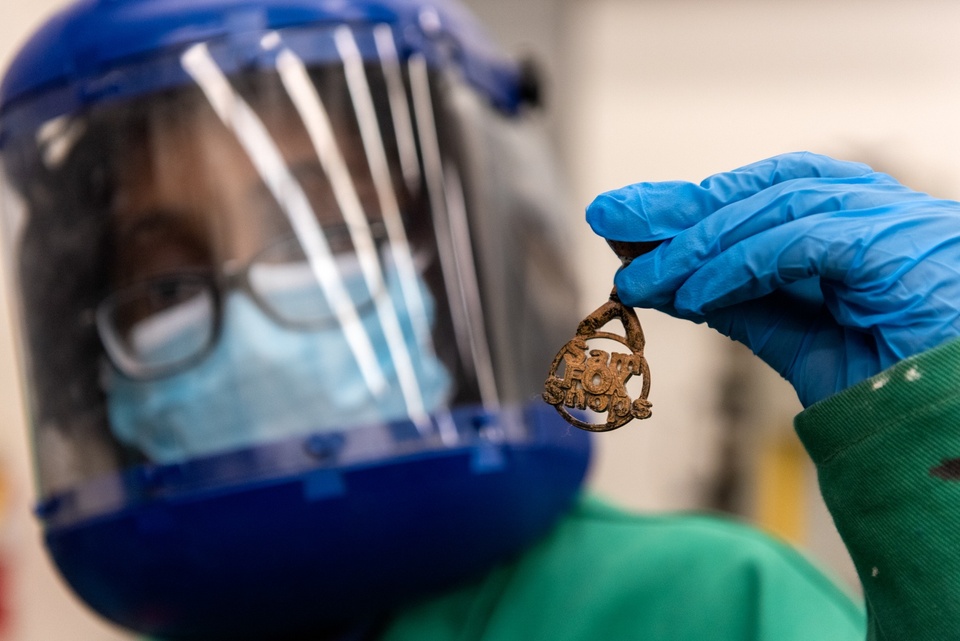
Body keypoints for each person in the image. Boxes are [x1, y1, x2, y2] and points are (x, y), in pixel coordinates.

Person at [1, 3, 958, 641]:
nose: (253, 301)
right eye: (166, 284)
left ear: (451, 261)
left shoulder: (700, 605)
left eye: (329, 230)